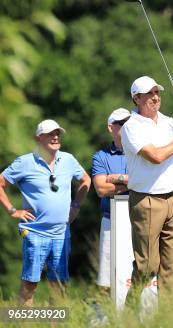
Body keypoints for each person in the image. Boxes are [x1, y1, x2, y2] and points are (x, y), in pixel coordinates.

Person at [121, 76, 173, 308]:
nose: (155, 97)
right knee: (147, 266)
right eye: (149, 94)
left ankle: (166, 318)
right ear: (136, 98)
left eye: (157, 93)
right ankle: (131, 308)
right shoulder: (131, 127)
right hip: (147, 200)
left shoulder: (168, 122)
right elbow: (155, 157)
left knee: (171, 267)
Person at [0, 119, 91, 305]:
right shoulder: (24, 162)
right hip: (34, 233)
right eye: (50, 133)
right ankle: (23, 324)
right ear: (38, 138)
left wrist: (75, 206)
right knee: (29, 285)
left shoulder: (68, 160)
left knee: (59, 286)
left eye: (57, 133)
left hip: (61, 233)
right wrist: (12, 210)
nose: (55, 136)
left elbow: (85, 180)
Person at [91, 108, 131, 292]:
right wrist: (131, 181)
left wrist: (117, 178)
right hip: (111, 220)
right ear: (111, 128)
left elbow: (148, 181)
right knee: (106, 280)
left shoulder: (141, 151)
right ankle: (106, 317)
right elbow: (100, 189)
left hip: (140, 218)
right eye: (122, 124)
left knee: (141, 274)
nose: (128, 127)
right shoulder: (101, 156)